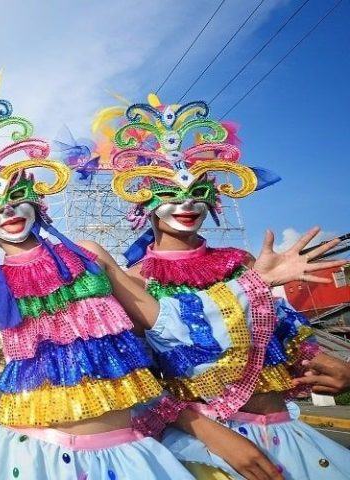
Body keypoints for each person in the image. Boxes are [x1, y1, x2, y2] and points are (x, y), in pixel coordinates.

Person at [0, 81, 330, 480]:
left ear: (36, 198)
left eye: (14, 195)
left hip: (126, 454)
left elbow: (167, 327)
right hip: (30, 457)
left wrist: (252, 282)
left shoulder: (90, 257)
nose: (7, 211)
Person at [92, 94, 350, 479]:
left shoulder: (240, 263)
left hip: (284, 434)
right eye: (170, 192)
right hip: (202, 447)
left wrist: (331, 365)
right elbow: (139, 382)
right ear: (144, 201)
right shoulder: (136, 282)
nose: (187, 203)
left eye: (198, 191)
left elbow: (278, 339)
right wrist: (213, 435)